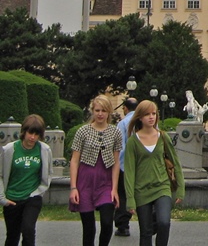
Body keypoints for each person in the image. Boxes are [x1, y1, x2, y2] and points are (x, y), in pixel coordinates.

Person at [124, 100, 184, 246]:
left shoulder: (163, 137)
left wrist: (181, 188)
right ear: (139, 117)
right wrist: (130, 199)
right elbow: (129, 172)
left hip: (162, 187)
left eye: (153, 114)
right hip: (141, 190)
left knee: (164, 223)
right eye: (147, 114)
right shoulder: (133, 141)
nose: (151, 117)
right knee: (146, 232)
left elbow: (175, 163)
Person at [70, 94, 123, 246]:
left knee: (107, 223)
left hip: (105, 181)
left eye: (104, 111)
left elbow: (116, 162)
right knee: (89, 228)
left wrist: (114, 189)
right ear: (92, 111)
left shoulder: (115, 132)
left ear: (109, 113)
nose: (100, 114)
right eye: (97, 110)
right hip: (85, 181)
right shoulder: (83, 131)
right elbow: (74, 160)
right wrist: (73, 187)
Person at [1, 114, 51, 246]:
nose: (32, 137)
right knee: (12, 236)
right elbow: (0, 174)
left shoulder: (44, 150)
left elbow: (48, 173)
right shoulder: (9, 149)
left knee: (28, 230)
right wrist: (2, 198)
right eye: (30, 133)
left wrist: (39, 191)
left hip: (32, 197)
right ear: (24, 132)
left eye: (36, 134)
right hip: (12, 198)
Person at [114, 97, 138, 238]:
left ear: (125, 108)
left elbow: (120, 147)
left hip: (125, 166)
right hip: (142, 166)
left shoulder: (122, 123)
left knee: (122, 196)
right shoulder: (146, 121)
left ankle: (123, 226)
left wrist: (119, 165)